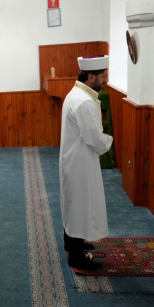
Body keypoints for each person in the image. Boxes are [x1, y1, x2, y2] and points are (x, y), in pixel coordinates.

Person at [60, 55, 113, 271]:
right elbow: (94, 137)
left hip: (76, 158)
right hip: (80, 161)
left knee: (75, 203)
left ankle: (75, 240)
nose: (105, 80)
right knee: (80, 204)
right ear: (91, 76)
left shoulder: (76, 94)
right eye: (102, 76)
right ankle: (76, 256)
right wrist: (109, 140)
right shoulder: (84, 101)